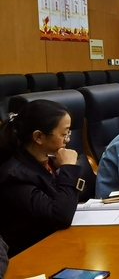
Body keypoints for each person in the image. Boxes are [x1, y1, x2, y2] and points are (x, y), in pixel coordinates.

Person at [0, 100, 82, 257]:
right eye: (63, 134)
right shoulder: (15, 176)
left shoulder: (49, 161)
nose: (68, 140)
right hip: (30, 255)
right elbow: (60, 216)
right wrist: (68, 169)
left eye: (68, 133)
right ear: (38, 137)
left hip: (57, 243)